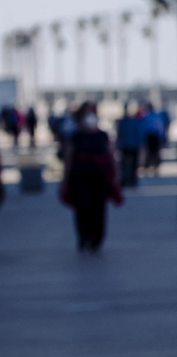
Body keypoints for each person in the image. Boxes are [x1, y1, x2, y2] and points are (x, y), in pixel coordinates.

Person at [60, 102, 123, 252]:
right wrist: (65, 179)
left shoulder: (103, 135)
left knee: (99, 209)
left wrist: (116, 175)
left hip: (99, 179)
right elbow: (69, 159)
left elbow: (111, 155)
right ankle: (83, 238)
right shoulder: (75, 137)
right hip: (80, 178)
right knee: (82, 208)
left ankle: (96, 239)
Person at [115, 104, 145, 189]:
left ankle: (132, 180)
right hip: (125, 145)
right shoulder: (122, 121)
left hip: (133, 145)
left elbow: (139, 133)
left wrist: (140, 144)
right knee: (124, 164)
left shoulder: (135, 121)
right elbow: (119, 134)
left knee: (133, 164)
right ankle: (125, 180)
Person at [143, 103, 166, 172]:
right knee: (152, 152)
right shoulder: (154, 115)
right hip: (152, 135)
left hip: (152, 135)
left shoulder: (147, 116)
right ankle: (151, 165)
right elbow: (160, 126)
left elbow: (144, 127)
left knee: (153, 151)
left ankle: (154, 166)